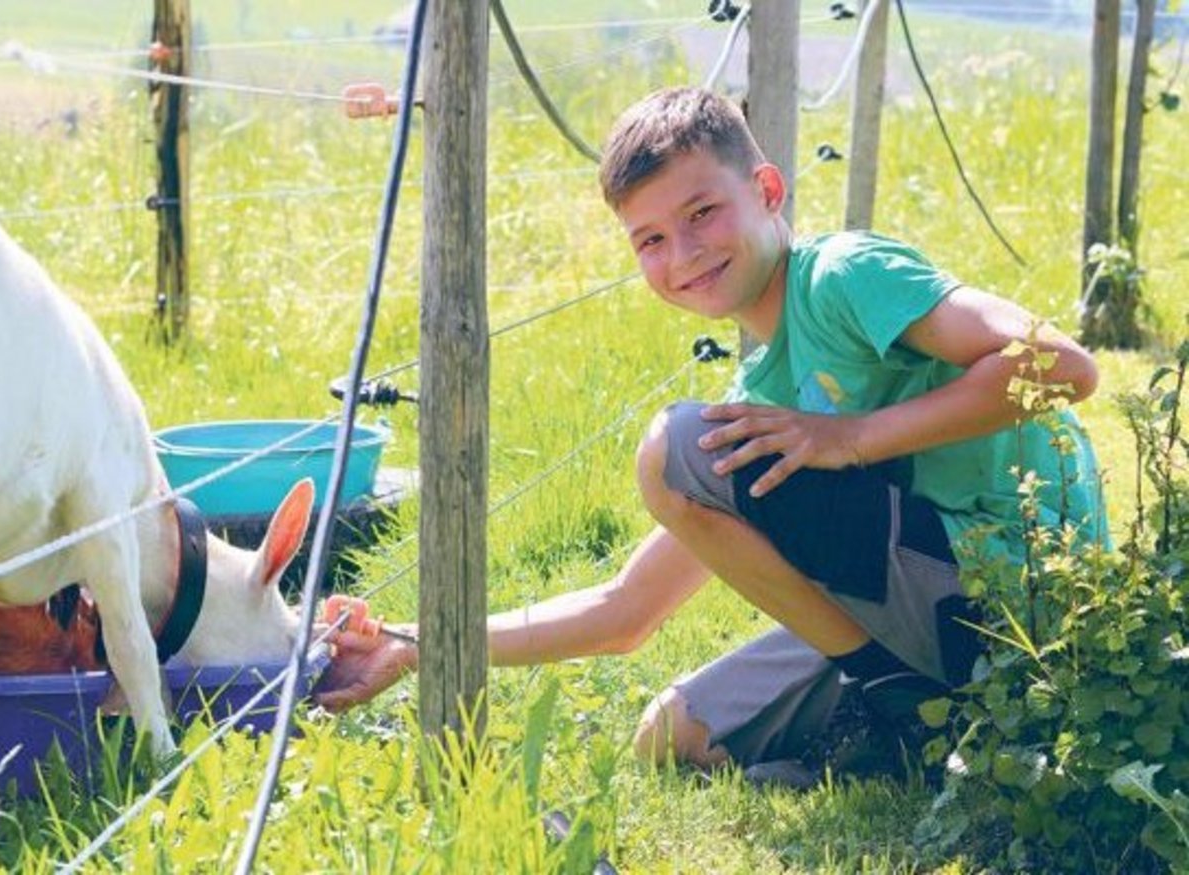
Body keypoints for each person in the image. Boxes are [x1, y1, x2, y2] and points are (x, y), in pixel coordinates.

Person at [314, 86, 1106, 781]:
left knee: (674, 447)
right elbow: (626, 611)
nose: (683, 254)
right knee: (673, 731)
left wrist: (849, 437)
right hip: (929, 613)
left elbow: (1063, 365)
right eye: (651, 240)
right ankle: (911, 728)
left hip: (1021, 604)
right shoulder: (760, 395)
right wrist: (412, 641)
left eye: (701, 213)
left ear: (766, 188)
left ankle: (893, 705)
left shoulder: (844, 276)